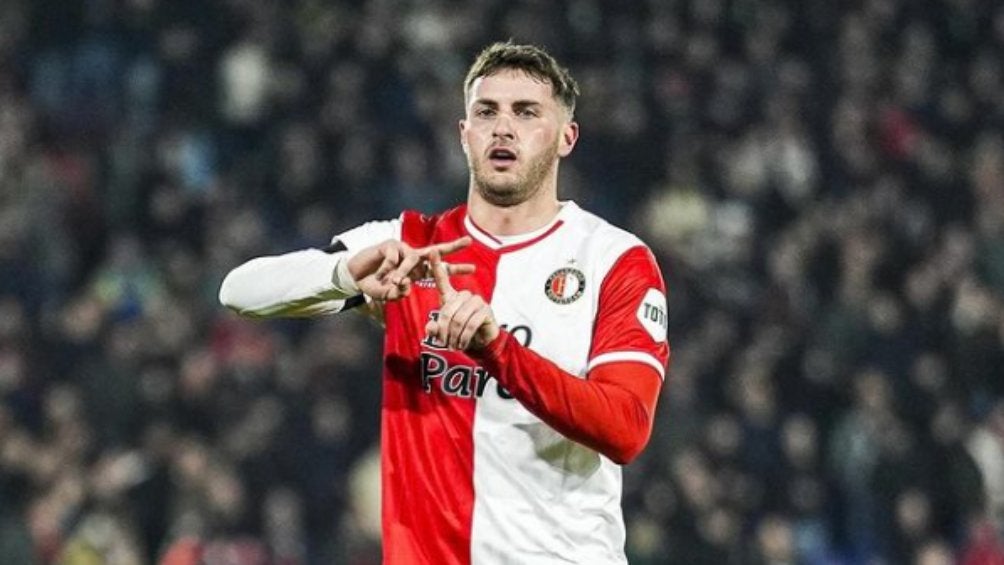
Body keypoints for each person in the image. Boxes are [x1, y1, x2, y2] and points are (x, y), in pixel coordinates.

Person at [219, 41, 670, 564]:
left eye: (526, 113)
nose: (503, 128)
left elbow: (625, 429)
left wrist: (497, 350)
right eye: (487, 112)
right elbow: (239, 292)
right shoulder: (411, 244)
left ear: (566, 137)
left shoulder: (613, 259)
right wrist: (343, 274)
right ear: (464, 133)